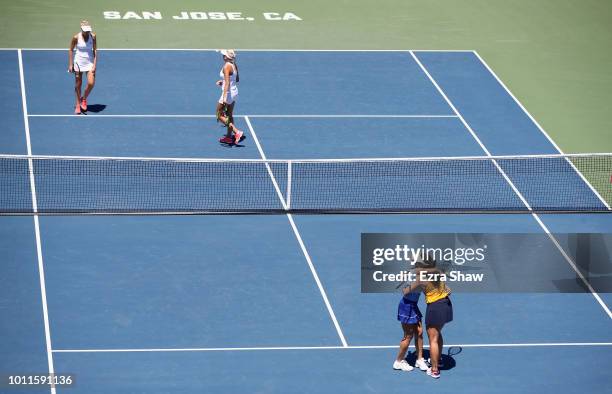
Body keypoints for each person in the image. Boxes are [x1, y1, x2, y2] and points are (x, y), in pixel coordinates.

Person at [404, 257, 453, 379]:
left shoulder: (421, 279)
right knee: (437, 334)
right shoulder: (439, 273)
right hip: (446, 305)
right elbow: (448, 290)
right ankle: (438, 359)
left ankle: (435, 370)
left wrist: (406, 285)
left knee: (433, 339)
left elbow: (406, 292)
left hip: (435, 308)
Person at [393, 284, 429, 372]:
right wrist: (418, 283)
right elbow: (405, 292)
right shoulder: (416, 279)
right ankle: (398, 361)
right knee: (408, 336)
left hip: (413, 305)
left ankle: (419, 359)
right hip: (406, 306)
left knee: (419, 332)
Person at [68, 20, 97, 114]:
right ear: (82, 29)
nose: (87, 32)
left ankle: (83, 99)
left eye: (88, 30)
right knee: (78, 84)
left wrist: (94, 65)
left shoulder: (93, 36)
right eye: (85, 30)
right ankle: (77, 105)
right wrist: (71, 64)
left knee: (91, 83)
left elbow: (95, 50)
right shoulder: (76, 37)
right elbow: (71, 50)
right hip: (78, 63)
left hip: (89, 63)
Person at [216, 49, 244, 144]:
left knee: (219, 114)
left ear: (226, 57)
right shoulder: (233, 64)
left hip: (228, 93)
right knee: (229, 114)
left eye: (224, 55)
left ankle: (236, 132)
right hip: (234, 92)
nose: (222, 56)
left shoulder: (226, 66)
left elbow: (228, 82)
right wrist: (222, 82)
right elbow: (236, 79)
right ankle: (228, 137)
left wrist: (224, 97)